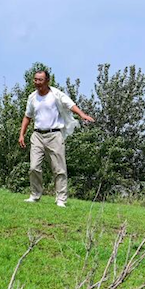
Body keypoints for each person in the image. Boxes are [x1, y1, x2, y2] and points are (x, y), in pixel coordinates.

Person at [18, 69, 94, 207]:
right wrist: (21, 134)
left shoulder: (56, 94)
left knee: (59, 168)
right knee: (34, 167)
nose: (37, 83)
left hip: (55, 135)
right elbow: (27, 116)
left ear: (47, 81)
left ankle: (61, 199)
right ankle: (35, 195)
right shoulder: (32, 97)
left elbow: (70, 105)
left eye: (40, 80)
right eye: (35, 80)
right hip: (37, 135)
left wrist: (82, 115)